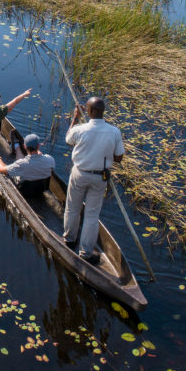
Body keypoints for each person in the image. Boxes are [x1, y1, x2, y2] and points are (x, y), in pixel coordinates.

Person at [62, 97, 124, 265]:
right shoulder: (114, 132)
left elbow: (68, 139)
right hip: (99, 177)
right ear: (103, 112)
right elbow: (118, 158)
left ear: (88, 112)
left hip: (79, 174)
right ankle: (86, 252)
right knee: (91, 215)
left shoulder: (80, 129)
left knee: (72, 208)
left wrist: (75, 117)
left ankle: (69, 240)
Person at [0, 133, 55, 197]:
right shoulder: (50, 159)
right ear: (38, 146)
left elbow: (1, 170)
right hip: (41, 190)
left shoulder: (22, 164)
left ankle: (17, 146)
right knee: (21, 163)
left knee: (15, 166)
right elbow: (44, 161)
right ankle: (17, 146)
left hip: (26, 191)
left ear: (25, 147)